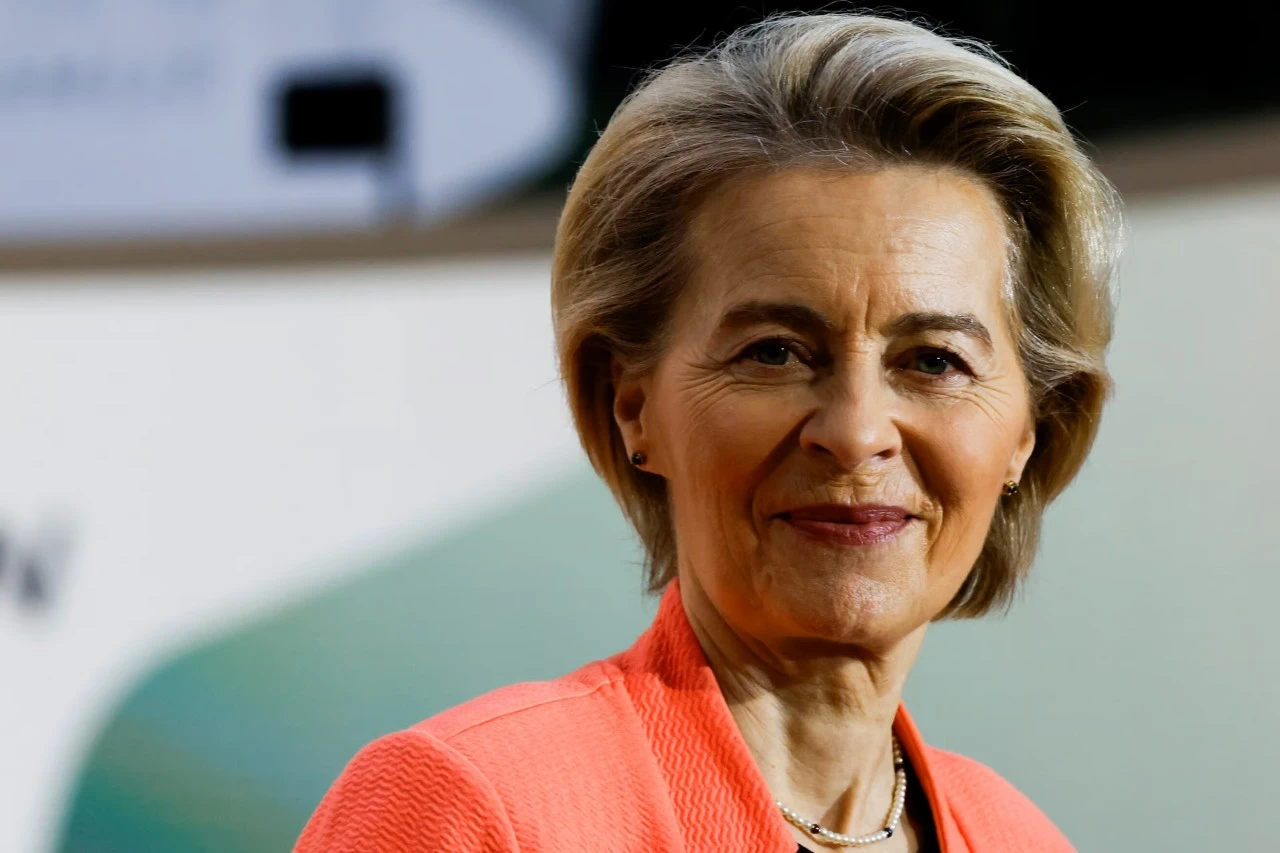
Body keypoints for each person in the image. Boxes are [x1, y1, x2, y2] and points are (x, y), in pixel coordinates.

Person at [296, 12, 1120, 852]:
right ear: (631, 405)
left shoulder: (1021, 837)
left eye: (935, 361)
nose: (856, 431)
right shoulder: (472, 804)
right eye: (775, 352)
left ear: (1031, 428)